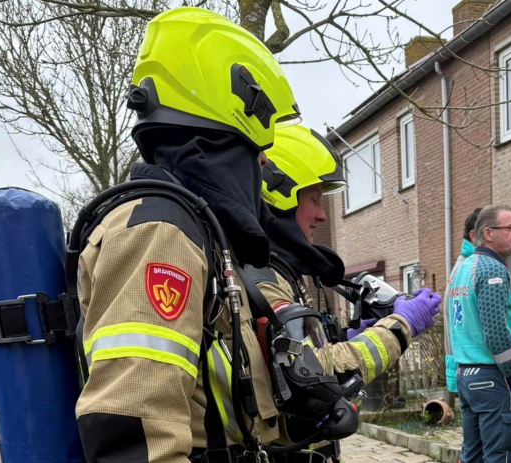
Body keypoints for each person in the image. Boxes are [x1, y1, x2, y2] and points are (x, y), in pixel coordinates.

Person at [74, 8, 307, 462]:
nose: (262, 163)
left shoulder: (191, 231)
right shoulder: (160, 232)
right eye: (258, 146)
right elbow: (135, 436)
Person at [245, 124, 442, 462]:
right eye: (315, 199)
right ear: (280, 196)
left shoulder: (279, 274)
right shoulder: (264, 280)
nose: (322, 214)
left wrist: (353, 335)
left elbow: (293, 353)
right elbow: (314, 372)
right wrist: (399, 326)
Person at [447, 205, 511, 463]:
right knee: (501, 456)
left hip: (467, 376)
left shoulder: (463, 268)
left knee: (473, 455)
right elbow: (494, 331)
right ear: (488, 233)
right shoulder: (492, 269)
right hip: (493, 378)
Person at [445, 208, 482, 395]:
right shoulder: (472, 269)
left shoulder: (462, 267)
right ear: (473, 236)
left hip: (464, 368)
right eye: (489, 231)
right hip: (475, 369)